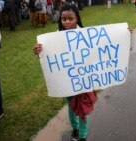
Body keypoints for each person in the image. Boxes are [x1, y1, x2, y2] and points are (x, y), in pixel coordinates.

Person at [33, 3, 94, 141]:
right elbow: (48, 55)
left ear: (77, 18)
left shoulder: (86, 35)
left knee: (83, 107)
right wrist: (38, 52)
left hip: (83, 79)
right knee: (72, 106)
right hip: (67, 80)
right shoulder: (56, 37)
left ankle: (83, 135)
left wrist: (123, 34)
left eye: (70, 18)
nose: (66, 21)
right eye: (63, 19)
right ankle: (75, 128)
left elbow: (101, 46)